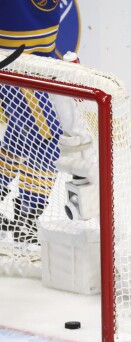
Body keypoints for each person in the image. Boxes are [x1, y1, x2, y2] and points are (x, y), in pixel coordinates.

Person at [0, 1, 79, 243]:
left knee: (20, 135)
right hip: (13, 58)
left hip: (37, 53)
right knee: (46, 136)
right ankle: (27, 220)